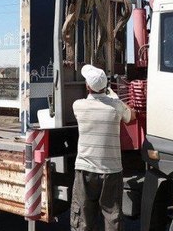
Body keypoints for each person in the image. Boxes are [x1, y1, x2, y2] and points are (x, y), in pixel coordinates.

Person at [71, 64, 135, 231]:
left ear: (87, 86)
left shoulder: (78, 106)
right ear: (105, 86)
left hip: (85, 170)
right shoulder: (116, 107)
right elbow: (131, 116)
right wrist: (114, 97)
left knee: (83, 218)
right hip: (111, 171)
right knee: (112, 217)